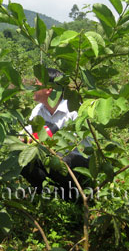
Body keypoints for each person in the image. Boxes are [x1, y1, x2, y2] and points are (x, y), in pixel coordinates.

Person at [22, 68, 89, 199]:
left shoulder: (73, 109)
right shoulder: (38, 110)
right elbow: (27, 132)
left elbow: (71, 145)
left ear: (49, 89)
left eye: (37, 83)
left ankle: (73, 194)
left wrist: (39, 139)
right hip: (52, 155)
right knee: (23, 158)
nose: (33, 87)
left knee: (58, 159)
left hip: (77, 161)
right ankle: (47, 193)